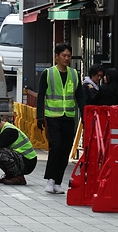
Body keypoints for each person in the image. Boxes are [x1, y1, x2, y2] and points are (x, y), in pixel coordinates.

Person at [36, 42, 85, 194]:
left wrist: (84, 115)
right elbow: (41, 96)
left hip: (69, 117)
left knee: (65, 149)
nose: (67, 58)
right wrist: (39, 116)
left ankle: (58, 182)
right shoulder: (48, 73)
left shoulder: (74, 74)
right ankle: (50, 180)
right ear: (56, 56)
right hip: (53, 117)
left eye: (69, 56)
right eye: (63, 55)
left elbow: (80, 97)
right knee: (56, 146)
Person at [0, 112, 37, 185]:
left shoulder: (9, 131)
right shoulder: (3, 129)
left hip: (28, 161)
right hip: (22, 159)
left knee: (1, 152)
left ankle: (18, 177)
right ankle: (10, 175)